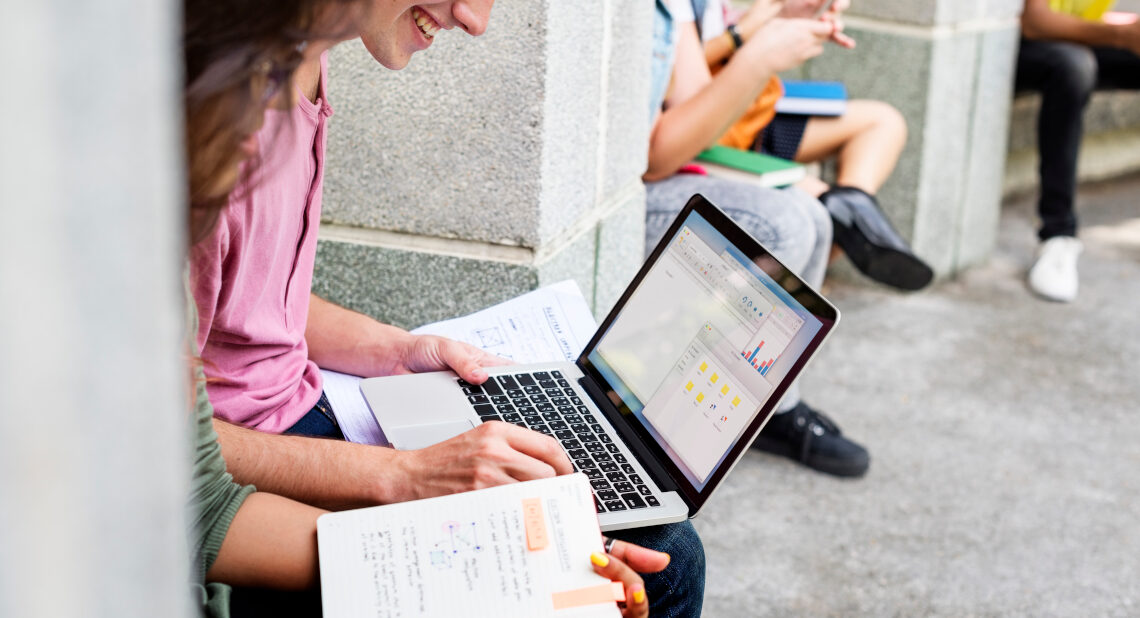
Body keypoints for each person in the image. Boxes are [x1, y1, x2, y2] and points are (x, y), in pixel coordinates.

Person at [188, 1, 707, 615]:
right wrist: (411, 487)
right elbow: (179, 469)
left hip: (294, 411)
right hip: (243, 461)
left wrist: (399, 350)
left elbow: (248, 294)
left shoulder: (305, 62)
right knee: (660, 560)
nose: (474, 19)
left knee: (633, 545)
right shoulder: (212, 117)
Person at [644, 0, 870, 478]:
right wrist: (756, 52)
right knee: (781, 224)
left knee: (815, 216)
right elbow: (657, 158)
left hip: (687, 163)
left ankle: (768, 408)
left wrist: (774, 29)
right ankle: (673, 434)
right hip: (626, 192)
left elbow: (696, 110)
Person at [692, 0, 933, 291]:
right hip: (711, 134)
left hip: (753, 116)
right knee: (815, 206)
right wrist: (742, 34)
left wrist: (787, 19)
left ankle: (851, 207)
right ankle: (845, 231)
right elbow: (683, 77)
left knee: (884, 122)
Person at [1017, 0, 1140, 302]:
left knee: (1075, 61)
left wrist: (1127, 28)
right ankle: (1057, 235)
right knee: (1072, 68)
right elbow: (1035, 22)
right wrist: (1123, 35)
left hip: (1068, 40)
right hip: (1004, 41)